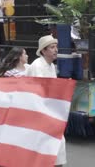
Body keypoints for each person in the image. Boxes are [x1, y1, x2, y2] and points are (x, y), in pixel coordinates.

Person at [25, 35, 66, 167]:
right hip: (38, 111)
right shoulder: (38, 65)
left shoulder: (51, 66)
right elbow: (39, 92)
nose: (56, 50)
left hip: (49, 110)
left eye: (56, 47)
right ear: (43, 51)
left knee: (56, 143)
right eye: (52, 47)